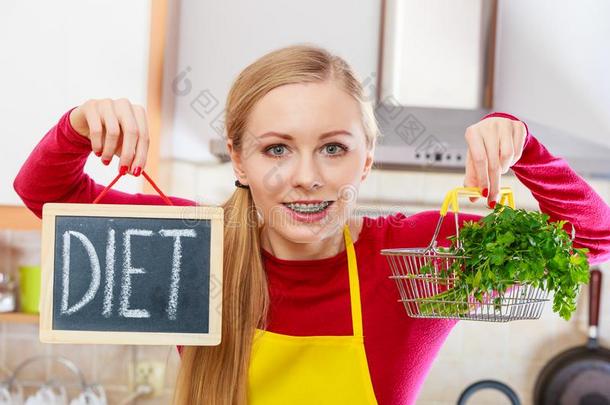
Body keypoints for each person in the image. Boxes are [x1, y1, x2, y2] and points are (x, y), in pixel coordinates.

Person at [13, 44, 610, 405]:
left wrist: (524, 146)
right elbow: (44, 193)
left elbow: (594, 240)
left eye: (333, 148)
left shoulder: (420, 258)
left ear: (367, 159)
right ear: (238, 158)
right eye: (276, 149)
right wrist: (79, 125)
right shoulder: (192, 250)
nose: (307, 177)